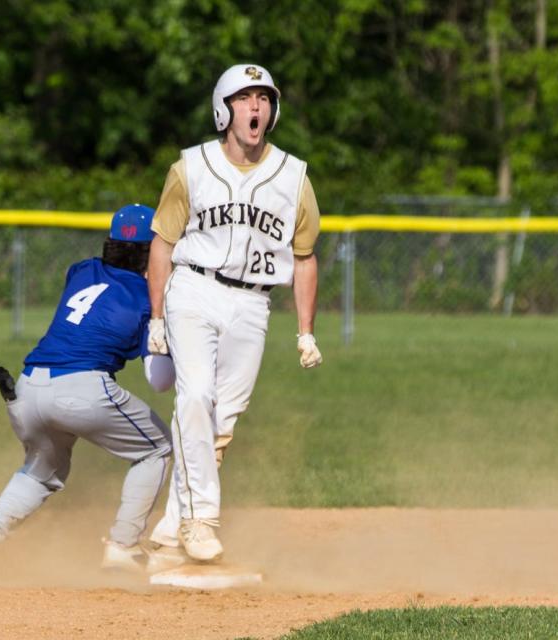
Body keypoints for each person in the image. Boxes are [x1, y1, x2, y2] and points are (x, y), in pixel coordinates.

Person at [145, 64, 322, 564]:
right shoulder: (191, 167)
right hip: (194, 290)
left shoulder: (293, 176)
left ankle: (168, 530)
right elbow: (162, 245)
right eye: (245, 98)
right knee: (195, 394)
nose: (256, 107)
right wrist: (156, 318)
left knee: (221, 422)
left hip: (253, 301)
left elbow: (304, 257)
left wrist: (305, 331)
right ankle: (200, 521)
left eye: (264, 98)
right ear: (224, 110)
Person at [0, 204, 175, 571]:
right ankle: (124, 546)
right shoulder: (145, 297)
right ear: (152, 250)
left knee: (43, 470)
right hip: (82, 387)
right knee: (157, 448)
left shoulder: (83, 270)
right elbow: (159, 380)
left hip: (28, 386)